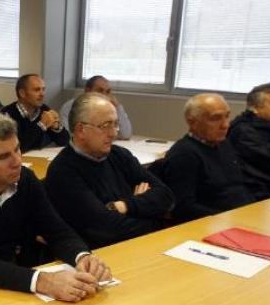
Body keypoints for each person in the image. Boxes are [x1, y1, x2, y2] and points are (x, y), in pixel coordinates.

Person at [0, 111, 112, 299]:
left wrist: (82, 256)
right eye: (3, 157)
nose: (17, 161)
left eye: (17, 149)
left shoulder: (26, 180)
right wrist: (42, 281)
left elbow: (56, 230)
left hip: (8, 278)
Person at [44, 93, 174, 249]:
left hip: (139, 245)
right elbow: (107, 231)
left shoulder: (119, 155)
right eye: (106, 125)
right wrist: (152, 215)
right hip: (101, 256)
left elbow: (166, 196)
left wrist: (125, 206)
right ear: (80, 130)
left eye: (115, 124)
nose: (114, 133)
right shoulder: (63, 171)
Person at [160, 93, 254, 222]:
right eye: (215, 118)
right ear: (192, 122)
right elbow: (184, 208)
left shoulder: (223, 144)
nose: (225, 125)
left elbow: (238, 186)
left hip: (242, 215)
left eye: (227, 116)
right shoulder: (184, 154)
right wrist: (228, 219)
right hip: (213, 223)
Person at [0, 74, 69, 151]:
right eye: (37, 90)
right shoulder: (6, 115)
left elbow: (65, 142)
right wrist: (42, 125)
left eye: (43, 89)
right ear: (22, 93)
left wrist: (56, 126)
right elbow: (18, 148)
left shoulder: (44, 110)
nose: (42, 94)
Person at [59, 76, 133, 140]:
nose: (104, 95)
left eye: (107, 91)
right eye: (100, 90)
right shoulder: (70, 107)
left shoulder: (108, 108)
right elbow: (67, 136)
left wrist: (117, 107)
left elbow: (125, 134)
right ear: (87, 91)